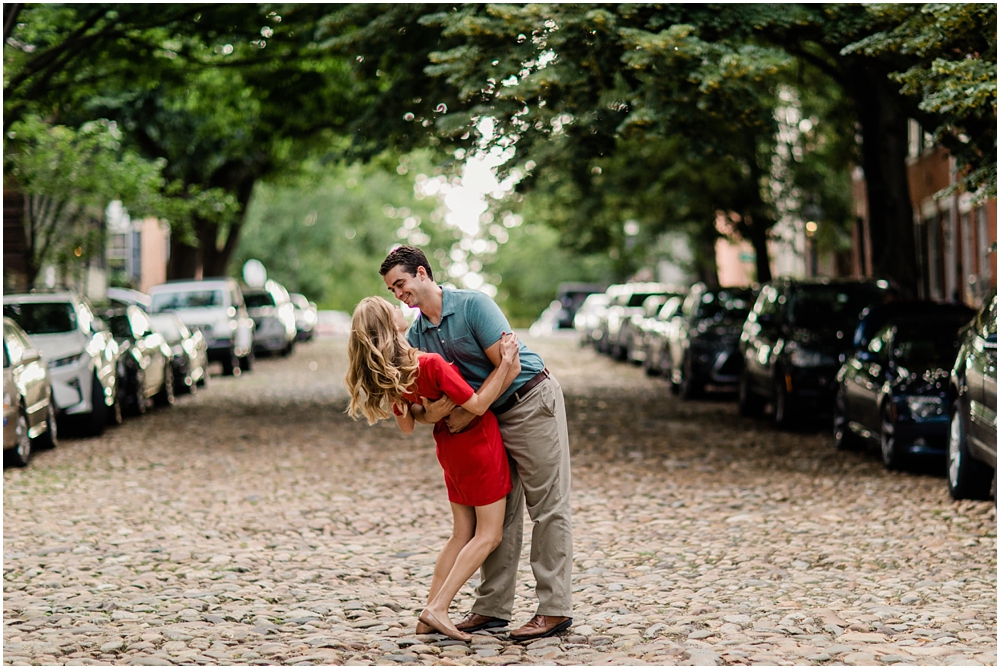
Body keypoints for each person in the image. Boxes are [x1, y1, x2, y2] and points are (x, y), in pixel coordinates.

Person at [380, 245, 573, 641]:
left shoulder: (473, 307)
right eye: (392, 291)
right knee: (500, 515)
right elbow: (427, 403)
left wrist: (468, 410)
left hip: (530, 401)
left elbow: (511, 364)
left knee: (548, 507)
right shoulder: (417, 335)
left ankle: (554, 610)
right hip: (490, 420)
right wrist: (439, 412)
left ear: (421, 273)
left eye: (401, 284)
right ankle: (491, 609)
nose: (399, 295)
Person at [345, 296, 522, 641]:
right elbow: (478, 404)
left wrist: (431, 413)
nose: (401, 307)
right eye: (392, 306)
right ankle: (438, 608)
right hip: (478, 447)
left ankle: (427, 616)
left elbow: (408, 426)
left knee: (461, 533)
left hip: (449, 451)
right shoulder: (430, 363)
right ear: (389, 324)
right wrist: (506, 365)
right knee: (489, 534)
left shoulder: (396, 374)